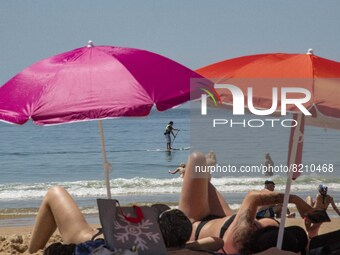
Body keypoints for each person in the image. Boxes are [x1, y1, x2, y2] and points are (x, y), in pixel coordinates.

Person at [178, 151, 325, 254]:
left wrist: (296, 200)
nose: (257, 222)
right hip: (229, 220)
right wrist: (311, 233)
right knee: (201, 175)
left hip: (197, 224)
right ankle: (203, 176)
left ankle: (198, 174)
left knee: (197, 159)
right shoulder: (288, 244)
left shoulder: (238, 240)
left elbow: (253, 197)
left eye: (256, 224)